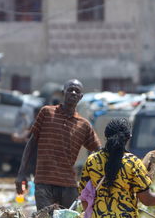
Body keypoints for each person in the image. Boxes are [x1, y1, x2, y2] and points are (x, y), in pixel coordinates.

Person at [15, 79, 100, 210]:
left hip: (69, 185)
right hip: (44, 183)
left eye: (77, 91)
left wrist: (90, 179)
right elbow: (31, 143)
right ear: (63, 92)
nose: (73, 93)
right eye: (70, 89)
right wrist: (21, 173)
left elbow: (97, 151)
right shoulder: (46, 113)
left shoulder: (84, 125)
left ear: (81, 97)